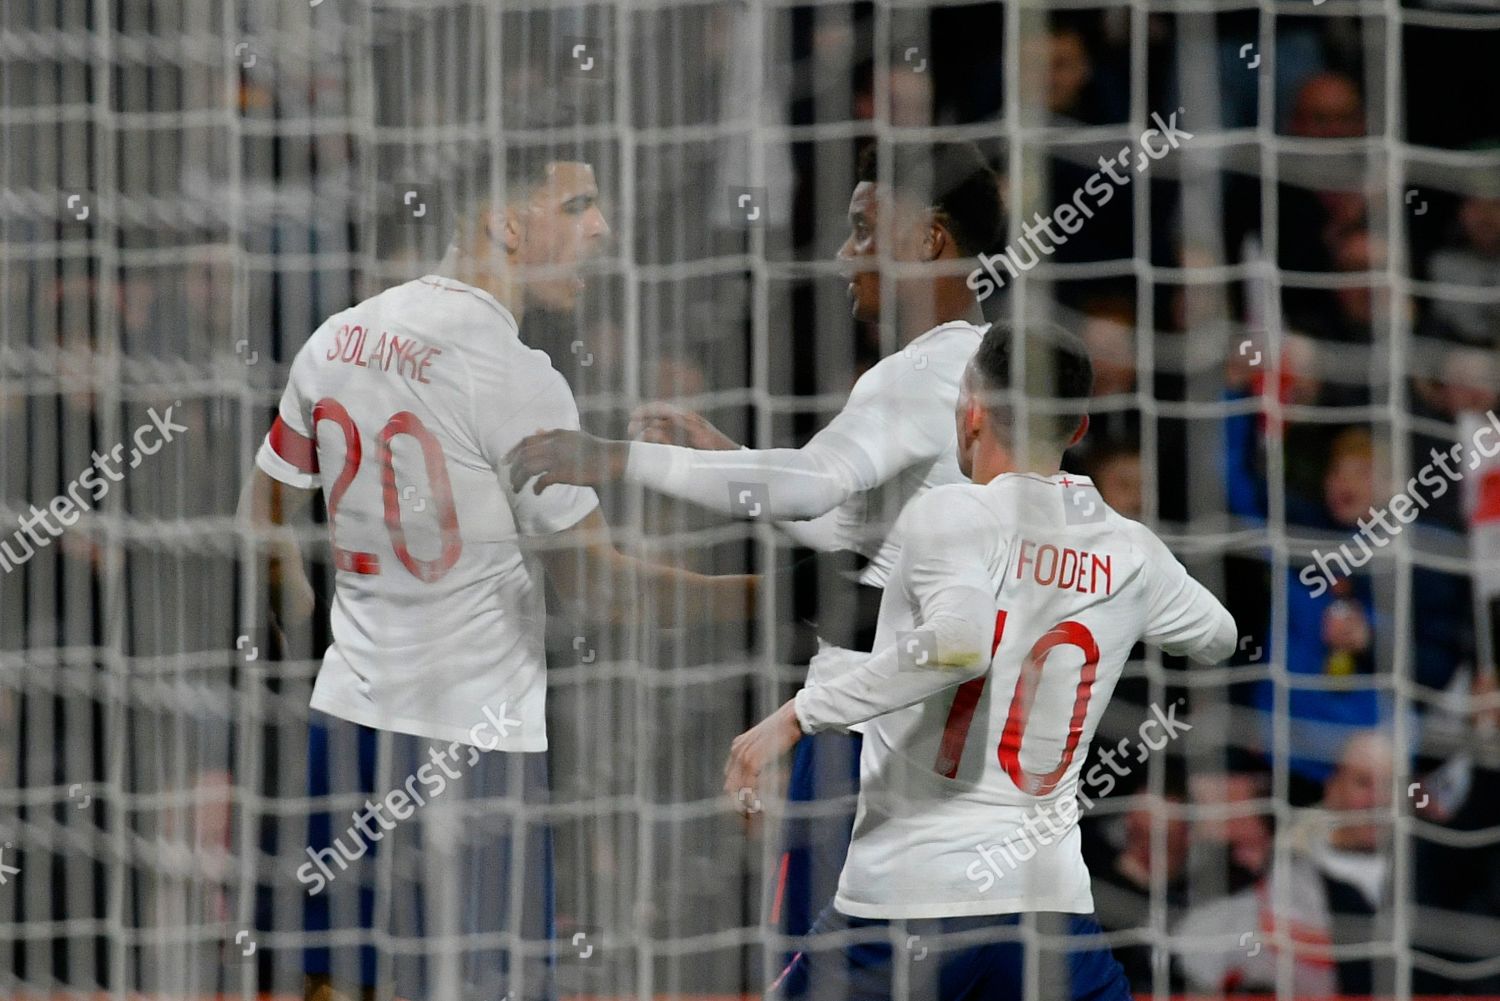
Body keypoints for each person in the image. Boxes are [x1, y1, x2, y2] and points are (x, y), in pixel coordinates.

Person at [242, 140, 754, 1001]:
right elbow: (600, 586)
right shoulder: (517, 377)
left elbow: (262, 516)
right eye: (579, 206)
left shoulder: (336, 338)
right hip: (469, 751)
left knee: (332, 984)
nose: (604, 228)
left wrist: (309, 636)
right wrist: (764, 599)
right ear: (504, 223)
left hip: (344, 726)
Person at [506, 141, 1004, 948]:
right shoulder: (979, 369)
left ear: (928, 239)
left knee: (818, 965)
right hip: (955, 739)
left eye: (862, 230)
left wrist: (619, 457)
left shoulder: (918, 373)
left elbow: (812, 484)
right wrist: (728, 456)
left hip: (874, 736)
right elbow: (847, 529)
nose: (844, 255)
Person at [723, 323, 1237, 1000]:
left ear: (970, 410)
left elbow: (960, 643)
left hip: (908, 902)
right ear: (1079, 426)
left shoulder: (951, 513)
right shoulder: (1131, 550)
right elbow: (1219, 636)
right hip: (1046, 910)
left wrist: (797, 714)